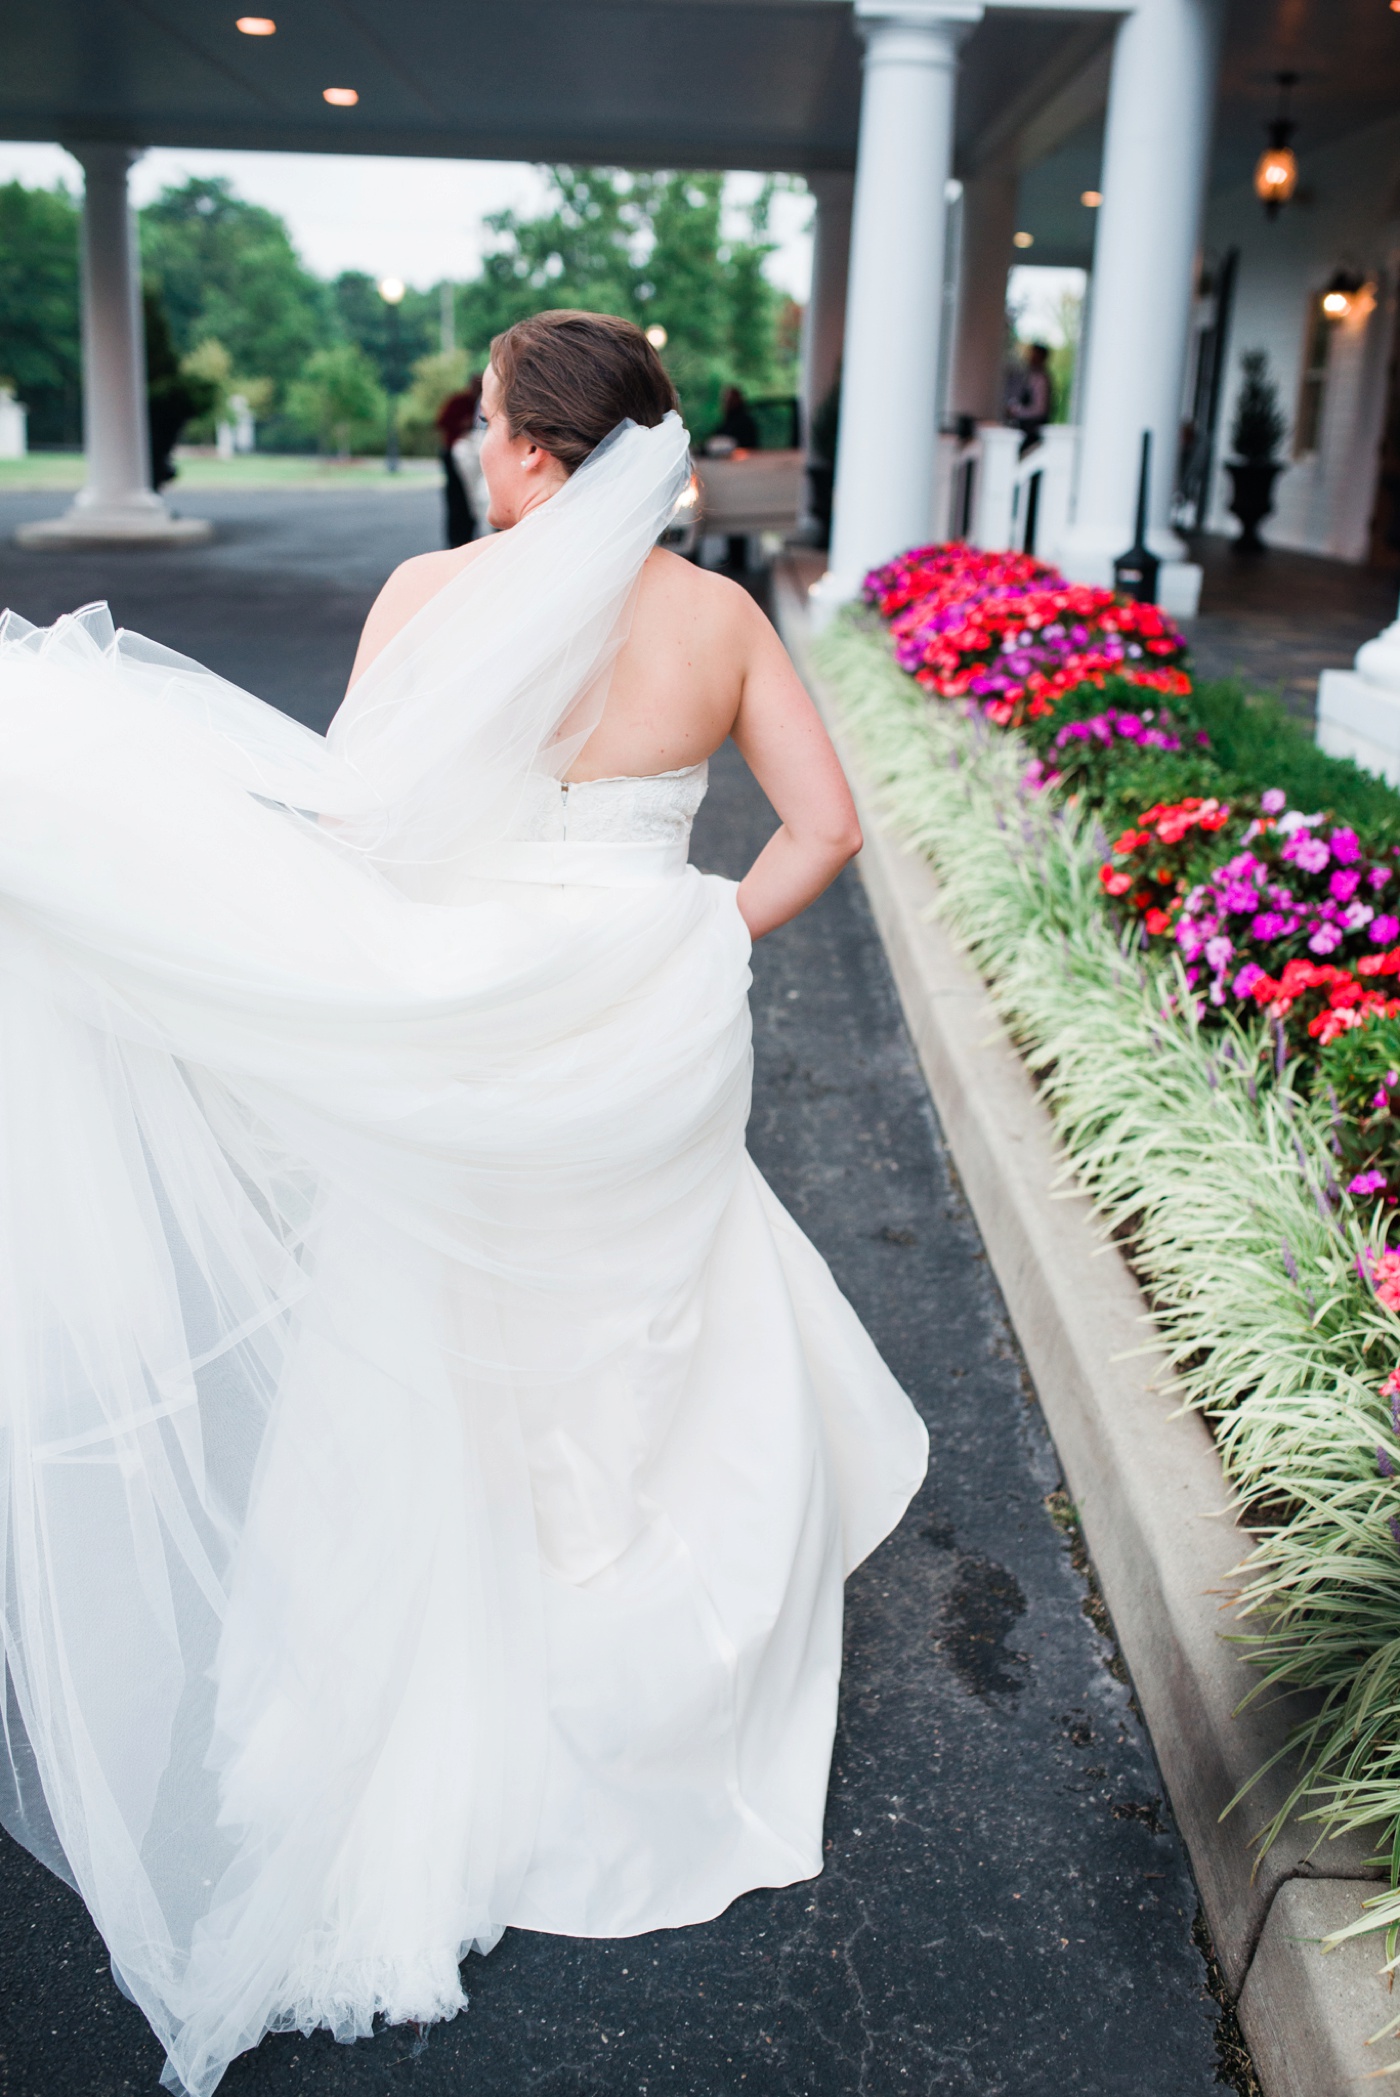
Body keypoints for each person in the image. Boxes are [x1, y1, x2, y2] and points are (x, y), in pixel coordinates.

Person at [0, 309, 927, 2096]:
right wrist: (684, 940)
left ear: (521, 451)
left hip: (465, 1039)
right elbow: (820, 833)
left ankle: (429, 1718)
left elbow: (351, 844)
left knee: (425, 1323)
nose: (475, 449)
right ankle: (644, 1683)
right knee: (642, 1334)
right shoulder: (723, 619)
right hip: (645, 1040)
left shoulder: (433, 605)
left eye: (485, 423)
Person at [435, 380, 482, 547]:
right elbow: (440, 422)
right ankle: (457, 541)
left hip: (475, 456)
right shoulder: (459, 402)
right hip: (455, 453)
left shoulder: (481, 403)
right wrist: (462, 424)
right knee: (457, 499)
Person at [1006, 340, 1053, 454]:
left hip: (1032, 430)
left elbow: (1040, 409)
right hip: (1024, 428)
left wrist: (1017, 411)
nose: (1031, 357)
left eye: (1035, 355)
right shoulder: (1027, 375)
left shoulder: (1041, 379)